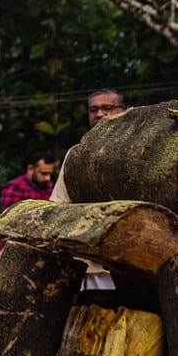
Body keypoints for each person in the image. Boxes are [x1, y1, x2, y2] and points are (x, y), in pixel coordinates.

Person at [52, 88, 129, 294]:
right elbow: (59, 205)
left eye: (107, 108)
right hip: (90, 268)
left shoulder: (140, 151)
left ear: (125, 110)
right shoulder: (75, 155)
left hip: (133, 265)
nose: (99, 114)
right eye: (93, 109)